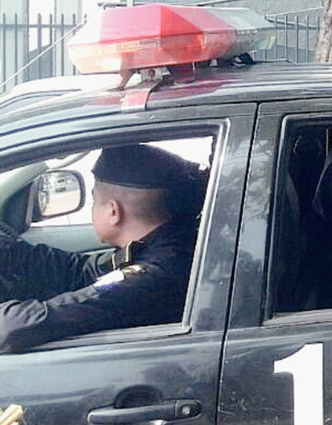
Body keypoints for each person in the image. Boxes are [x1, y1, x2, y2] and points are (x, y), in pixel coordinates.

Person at [0, 144, 205, 352]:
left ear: (113, 211)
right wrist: (12, 252)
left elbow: (15, 328)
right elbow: (82, 271)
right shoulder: (162, 245)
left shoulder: (156, 273)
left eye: (94, 200)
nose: (92, 206)